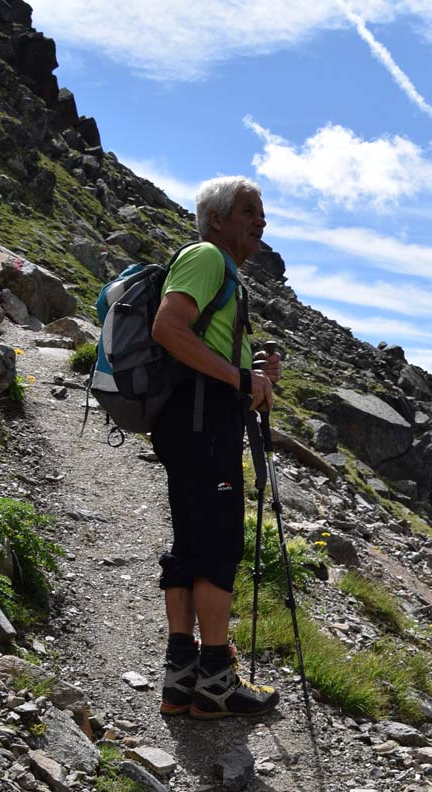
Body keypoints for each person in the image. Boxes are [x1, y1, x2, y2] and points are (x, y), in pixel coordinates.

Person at [149, 175, 283, 719]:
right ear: (219, 218)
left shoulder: (221, 272)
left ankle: (181, 681)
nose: (261, 221)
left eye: (262, 212)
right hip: (204, 428)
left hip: (192, 420)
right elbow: (167, 327)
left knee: (189, 544)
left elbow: (206, 357)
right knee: (218, 547)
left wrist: (252, 379)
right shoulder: (206, 258)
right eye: (250, 211)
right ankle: (216, 684)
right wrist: (239, 377)